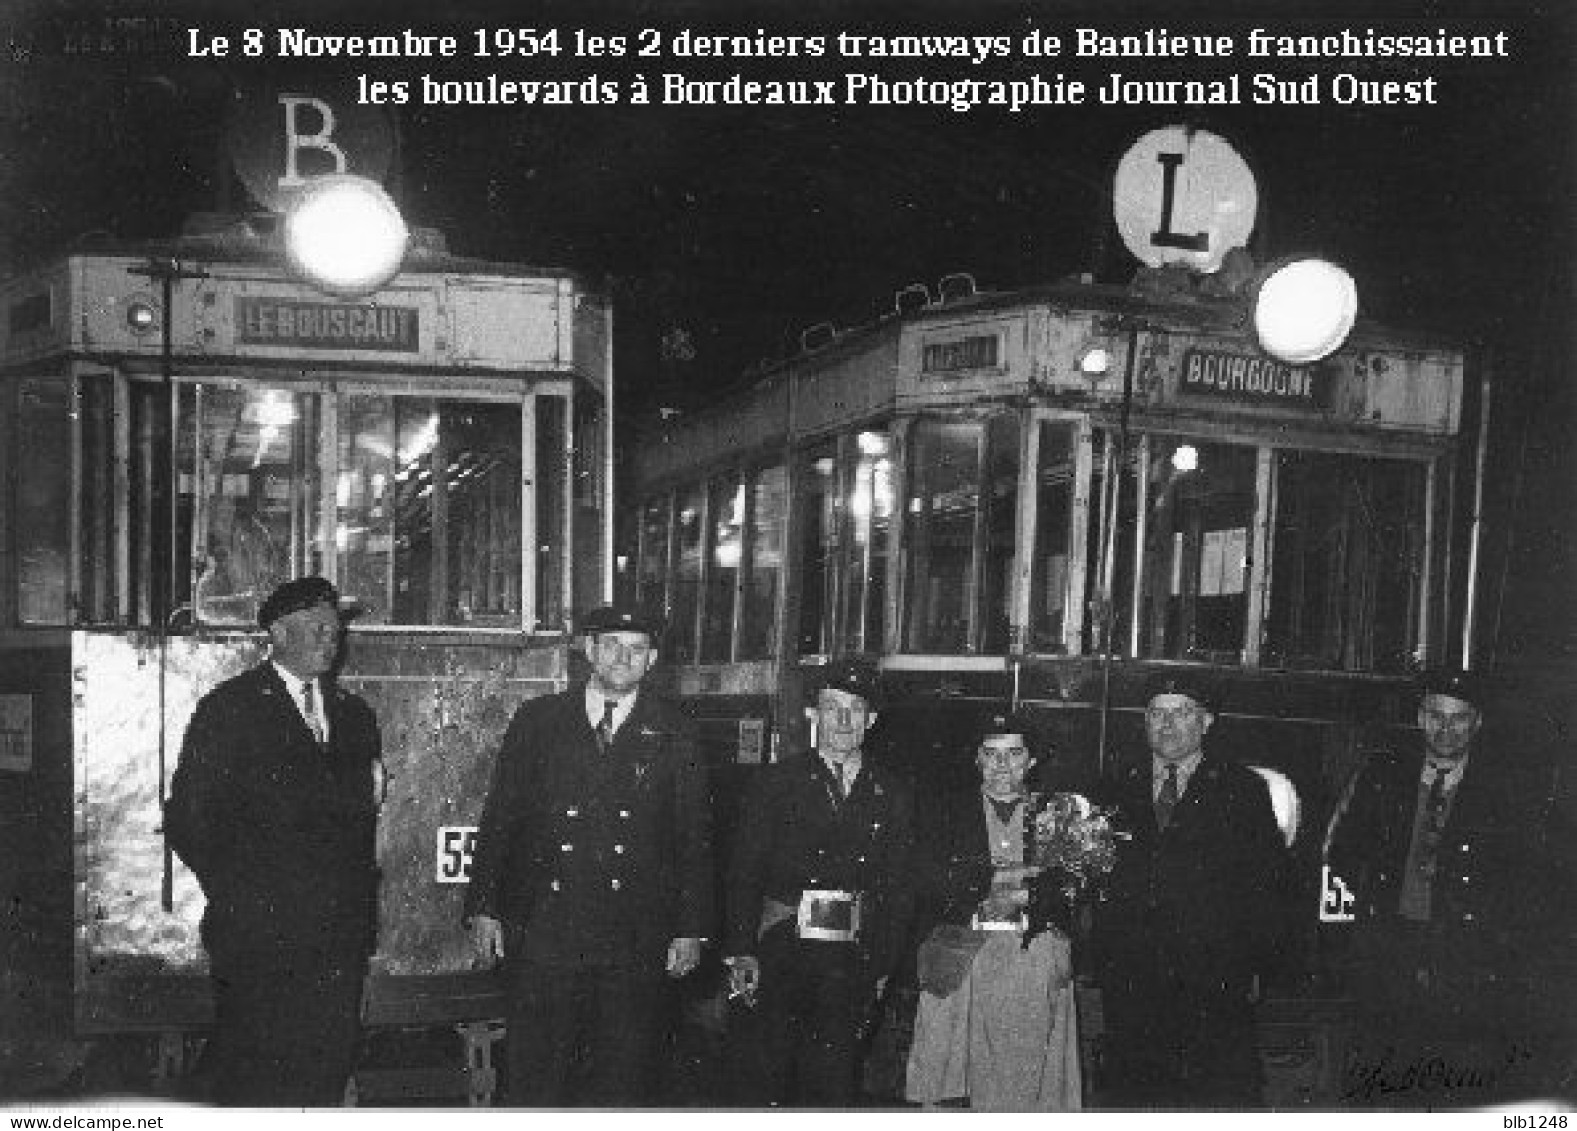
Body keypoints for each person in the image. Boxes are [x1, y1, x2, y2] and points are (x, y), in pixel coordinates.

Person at [464, 605, 713, 1107]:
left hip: (634, 935)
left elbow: (695, 837)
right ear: (589, 650)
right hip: (547, 930)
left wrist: (691, 927)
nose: (624, 657)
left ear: (653, 659)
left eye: (637, 648)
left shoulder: (675, 731)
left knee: (622, 1078)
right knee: (538, 1075)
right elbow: (501, 819)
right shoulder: (539, 720)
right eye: (612, 645)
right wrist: (485, 906)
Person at [164, 577, 381, 1106]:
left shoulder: (354, 717)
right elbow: (188, 817)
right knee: (257, 1079)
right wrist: (246, 896)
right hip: (260, 940)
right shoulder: (230, 710)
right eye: (317, 628)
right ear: (278, 633)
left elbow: (360, 824)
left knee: (325, 1070)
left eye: (335, 629)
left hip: (337, 941)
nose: (331, 639)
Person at [1323, 669, 1554, 1106]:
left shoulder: (1507, 792)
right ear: (1420, 717)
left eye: (1459, 718)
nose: (1446, 729)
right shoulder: (1382, 774)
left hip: (1468, 958)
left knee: (1459, 1078)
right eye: (1435, 715)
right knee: (1383, 1074)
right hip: (1390, 950)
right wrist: (1372, 919)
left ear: (1477, 723)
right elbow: (1343, 853)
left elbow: (1527, 881)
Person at [1091, 673, 1293, 1108]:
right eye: (1157, 714)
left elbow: (1269, 887)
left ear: (1206, 722)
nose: (1167, 725)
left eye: (1181, 713)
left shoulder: (1243, 790)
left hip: (1213, 981)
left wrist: (1257, 966)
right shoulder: (1113, 788)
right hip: (1133, 981)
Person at [723, 658, 915, 1106]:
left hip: (853, 955)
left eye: (855, 708)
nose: (844, 720)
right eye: (832, 707)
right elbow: (744, 870)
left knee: (833, 1084)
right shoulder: (776, 782)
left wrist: (884, 965)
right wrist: (740, 950)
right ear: (814, 715)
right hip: (781, 946)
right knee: (767, 1080)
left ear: (871, 719)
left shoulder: (894, 791)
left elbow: (900, 886)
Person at [904, 712, 1082, 1110]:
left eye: (1014, 753)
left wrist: (1015, 894)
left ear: (1031, 761)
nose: (1002, 765)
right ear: (978, 759)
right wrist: (1012, 876)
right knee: (950, 1080)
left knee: (1026, 1081)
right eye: (991, 754)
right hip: (961, 958)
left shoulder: (1058, 814)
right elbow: (929, 875)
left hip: (1030, 958)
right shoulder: (941, 810)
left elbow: (1068, 887)